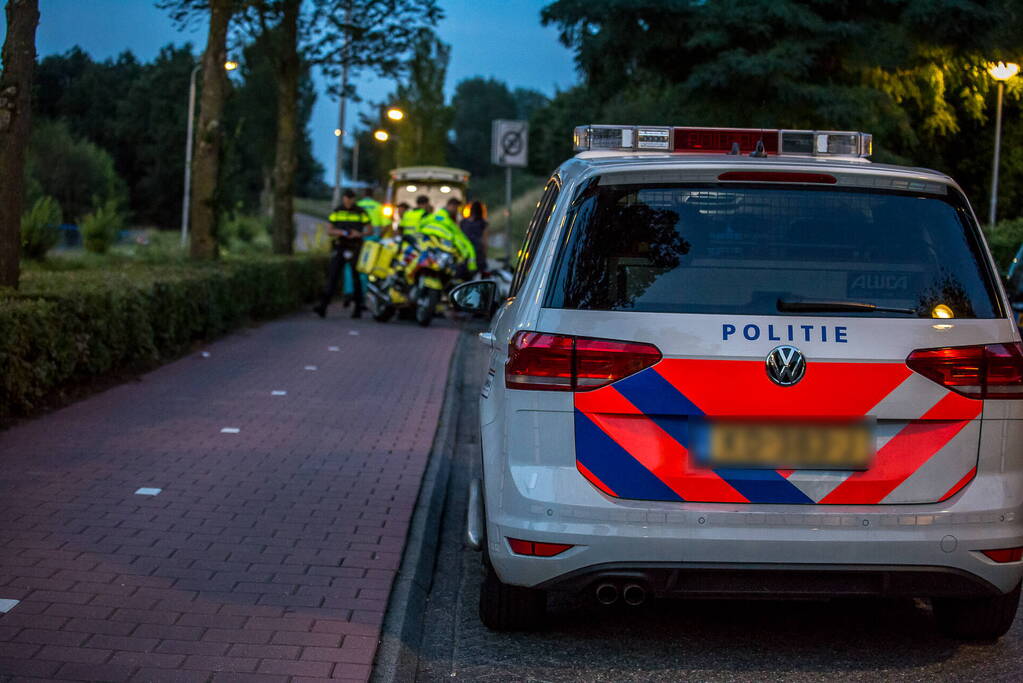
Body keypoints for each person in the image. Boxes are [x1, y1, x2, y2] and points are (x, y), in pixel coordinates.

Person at [314, 189, 371, 319]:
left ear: (353, 199)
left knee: (356, 278)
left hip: (355, 246)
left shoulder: (360, 212)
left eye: (351, 199)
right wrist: (340, 232)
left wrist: (359, 234)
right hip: (340, 246)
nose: (348, 201)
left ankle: (358, 309)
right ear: (343, 198)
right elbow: (329, 230)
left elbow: (370, 229)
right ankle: (323, 306)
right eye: (346, 198)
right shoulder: (337, 211)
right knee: (332, 277)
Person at [420, 197, 477, 275]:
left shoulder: (431, 218)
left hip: (428, 256)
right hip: (441, 260)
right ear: (452, 206)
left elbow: (420, 228)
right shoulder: (449, 223)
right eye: (456, 208)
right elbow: (462, 241)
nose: (457, 211)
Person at [460, 201, 488, 275]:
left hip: (464, 251)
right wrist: (485, 254)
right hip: (477, 253)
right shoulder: (483, 223)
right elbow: (484, 240)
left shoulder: (463, 222)